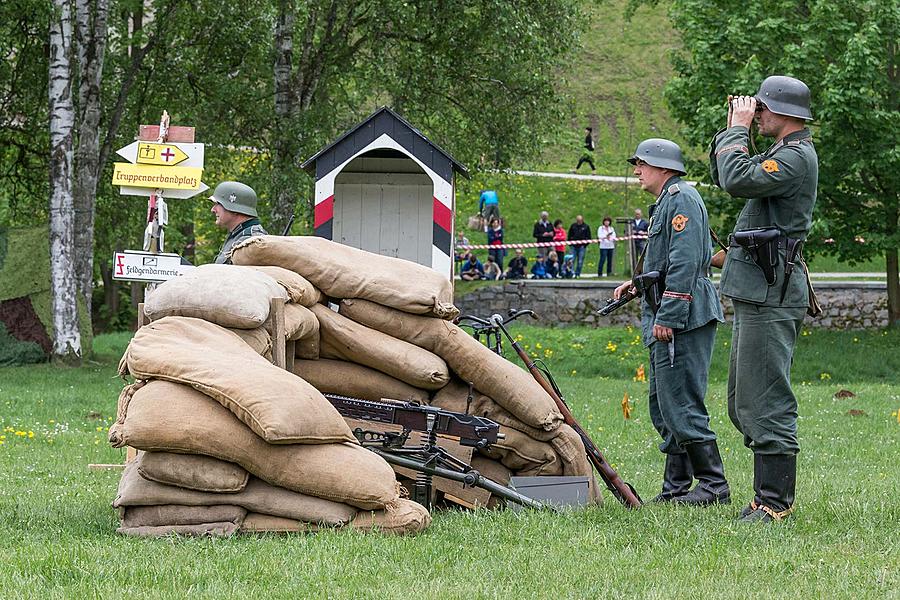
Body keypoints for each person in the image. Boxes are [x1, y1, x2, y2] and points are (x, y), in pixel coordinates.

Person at [711, 76, 818, 523]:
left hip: (773, 293)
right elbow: (724, 172)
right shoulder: (779, 154)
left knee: (767, 397)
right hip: (760, 291)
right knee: (743, 400)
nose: (758, 115)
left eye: (762, 110)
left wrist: (739, 130)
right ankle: (765, 497)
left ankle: (775, 502)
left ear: (786, 113)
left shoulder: (796, 158)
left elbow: (737, 179)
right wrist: (733, 130)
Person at [614, 138, 727, 506]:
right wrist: (637, 282)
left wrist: (670, 314)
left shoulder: (681, 199)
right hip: (665, 312)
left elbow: (686, 259)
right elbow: (666, 260)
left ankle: (713, 486)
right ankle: (676, 487)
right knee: (664, 404)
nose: (637, 170)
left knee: (681, 401)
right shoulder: (668, 200)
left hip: (683, 318)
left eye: (642, 164)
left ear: (663, 167)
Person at [210, 181, 268, 264]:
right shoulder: (238, 234)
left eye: (218, 204)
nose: (213, 209)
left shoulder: (251, 241)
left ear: (234, 208)